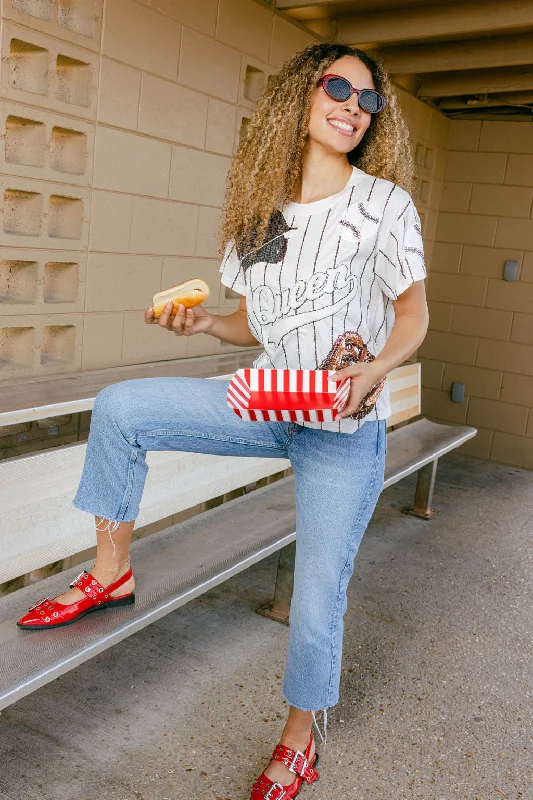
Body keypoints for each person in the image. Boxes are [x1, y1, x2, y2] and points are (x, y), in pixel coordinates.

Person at [17, 43, 429, 799]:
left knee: (314, 603)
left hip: (341, 431)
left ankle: (300, 740)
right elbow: (250, 324)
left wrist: (374, 372)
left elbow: (413, 316)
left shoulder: (382, 207)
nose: (351, 106)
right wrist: (204, 327)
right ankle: (111, 574)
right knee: (122, 409)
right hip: (263, 401)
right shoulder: (258, 212)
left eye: (367, 100)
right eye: (337, 87)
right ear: (300, 97)